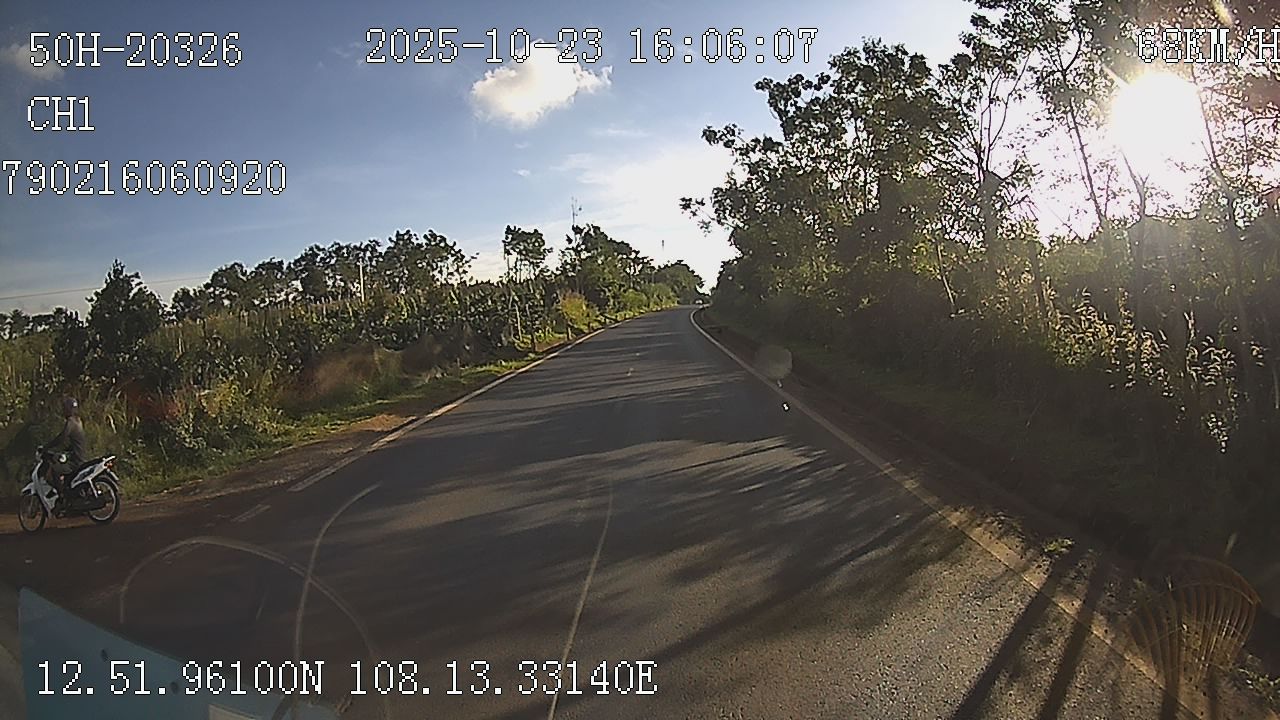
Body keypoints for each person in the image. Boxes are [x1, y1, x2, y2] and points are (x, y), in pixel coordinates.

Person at [44, 396, 88, 497]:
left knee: (55, 470)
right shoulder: (78, 421)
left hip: (76, 461)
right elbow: (75, 442)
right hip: (80, 456)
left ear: (68, 409)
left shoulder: (71, 422)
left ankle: (62, 496)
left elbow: (61, 438)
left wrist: (47, 446)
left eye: (65, 408)